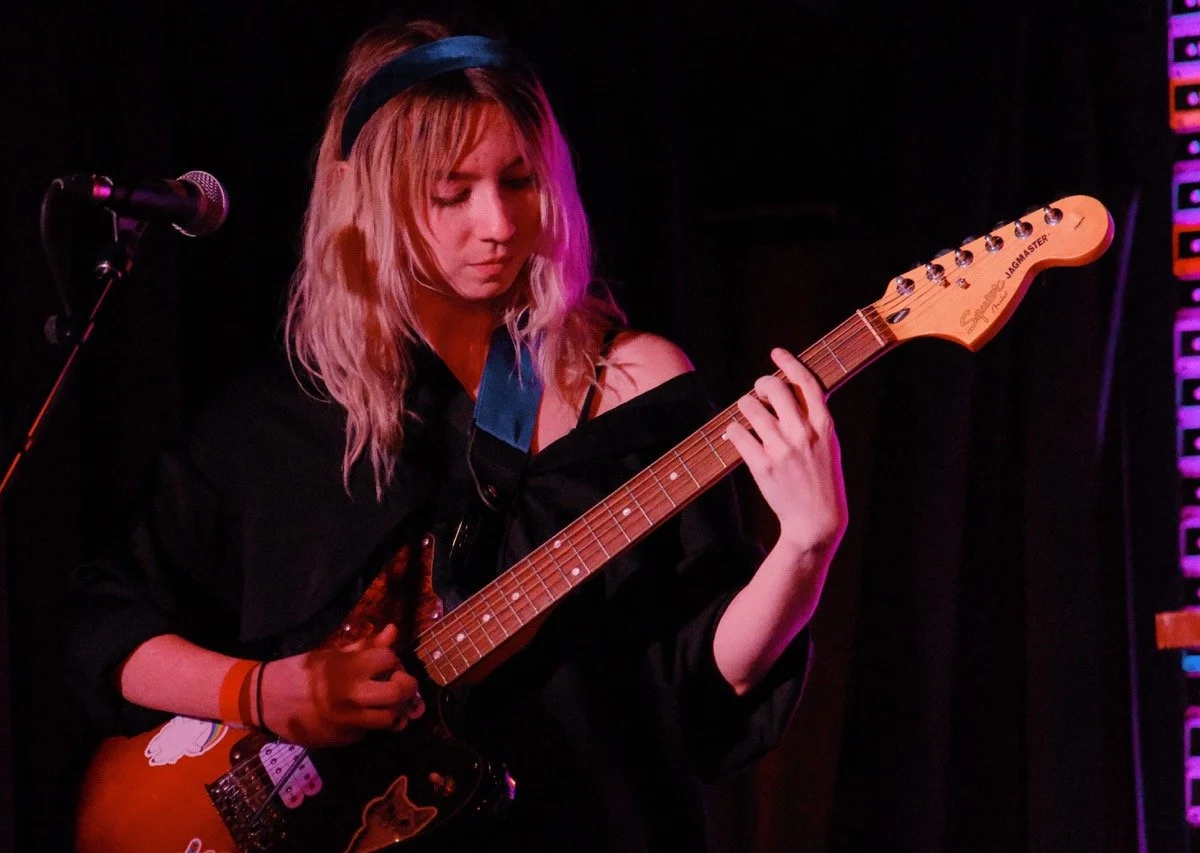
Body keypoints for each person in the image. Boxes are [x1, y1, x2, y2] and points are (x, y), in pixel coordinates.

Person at [66, 17, 847, 853]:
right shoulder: (279, 419)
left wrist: (804, 547)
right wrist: (258, 692)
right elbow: (99, 625)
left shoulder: (637, 388)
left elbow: (700, 680)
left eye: (519, 182)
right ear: (370, 199)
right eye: (453, 193)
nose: (500, 224)